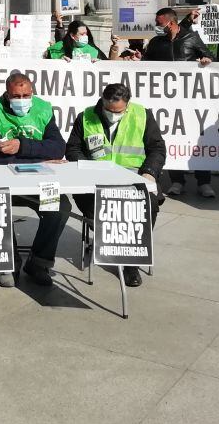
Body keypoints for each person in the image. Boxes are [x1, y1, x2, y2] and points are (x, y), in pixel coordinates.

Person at [65, 82, 166, 287]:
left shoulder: (142, 115)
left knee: (149, 206)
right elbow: (72, 149)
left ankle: (130, 261)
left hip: (133, 178)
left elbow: (157, 149)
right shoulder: (86, 117)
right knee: (101, 210)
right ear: (102, 100)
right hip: (94, 182)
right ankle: (111, 243)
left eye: (117, 111)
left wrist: (149, 172)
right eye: (108, 109)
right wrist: (87, 168)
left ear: (127, 105)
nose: (112, 113)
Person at [0, 72, 70, 287]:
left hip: (38, 183)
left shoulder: (43, 109)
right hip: (6, 183)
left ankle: (39, 262)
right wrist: (42, 155)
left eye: (26, 95)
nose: (22, 100)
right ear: (6, 95)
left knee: (60, 207)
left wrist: (22, 146)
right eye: (16, 96)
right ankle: (10, 264)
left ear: (33, 92)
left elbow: (58, 147)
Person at [143, 9, 216, 198]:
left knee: (196, 138)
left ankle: (204, 182)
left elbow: (210, 57)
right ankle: (177, 180)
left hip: (191, 98)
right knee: (171, 137)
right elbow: (144, 64)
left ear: (170, 22)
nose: (157, 26)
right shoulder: (156, 42)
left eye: (159, 23)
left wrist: (207, 60)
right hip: (165, 100)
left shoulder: (191, 38)